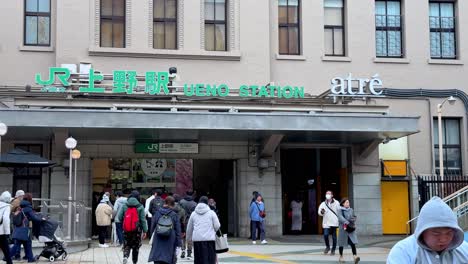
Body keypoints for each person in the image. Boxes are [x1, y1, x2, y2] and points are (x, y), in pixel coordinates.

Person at [387, 196, 468, 263]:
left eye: (449, 233)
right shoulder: (403, 251)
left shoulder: (464, 250)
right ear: (422, 232)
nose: (443, 239)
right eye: (436, 233)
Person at [10, 193, 44, 262]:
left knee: (26, 243)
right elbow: (34, 218)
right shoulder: (28, 208)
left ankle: (30, 258)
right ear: (30, 199)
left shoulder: (21, 206)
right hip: (24, 229)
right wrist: (42, 219)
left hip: (19, 228)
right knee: (22, 244)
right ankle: (7, 256)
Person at [186, 196, 220, 264]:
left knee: (199, 260)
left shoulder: (193, 214)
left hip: (197, 241)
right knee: (209, 260)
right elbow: (217, 226)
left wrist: (188, 239)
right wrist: (212, 231)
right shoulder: (211, 213)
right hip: (209, 240)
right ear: (207, 203)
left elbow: (189, 228)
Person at [148, 196, 182, 264]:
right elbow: (178, 231)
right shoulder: (174, 215)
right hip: (170, 241)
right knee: (168, 260)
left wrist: (152, 237)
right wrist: (179, 245)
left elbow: (152, 227)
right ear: (173, 205)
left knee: (158, 259)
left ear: (164, 203)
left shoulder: (157, 213)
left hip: (158, 239)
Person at [118, 190, 148, 264]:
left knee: (127, 244)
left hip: (126, 229)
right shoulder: (140, 206)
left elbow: (119, 217)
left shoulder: (125, 204)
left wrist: (125, 220)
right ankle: (134, 261)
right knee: (135, 246)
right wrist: (145, 230)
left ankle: (125, 256)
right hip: (137, 230)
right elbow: (143, 219)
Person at [318, 190, 340, 255]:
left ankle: (333, 249)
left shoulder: (336, 203)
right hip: (326, 222)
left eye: (329, 193)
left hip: (334, 222)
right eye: (326, 193)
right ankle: (327, 247)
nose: (327, 195)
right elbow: (319, 212)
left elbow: (339, 212)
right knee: (325, 235)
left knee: (334, 237)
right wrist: (322, 212)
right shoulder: (323, 203)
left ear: (332, 195)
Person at [337, 198, 359, 263]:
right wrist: (346, 221)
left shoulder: (351, 210)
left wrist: (353, 219)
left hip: (350, 229)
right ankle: (341, 257)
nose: (348, 203)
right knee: (341, 244)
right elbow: (340, 217)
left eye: (348, 202)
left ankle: (355, 257)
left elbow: (354, 216)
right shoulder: (340, 210)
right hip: (343, 229)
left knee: (353, 243)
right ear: (343, 204)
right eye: (346, 202)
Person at [179, 190, 197, 260]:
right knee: (190, 237)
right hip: (191, 221)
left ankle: (183, 250)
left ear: (186, 193)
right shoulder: (194, 203)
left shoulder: (181, 202)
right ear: (192, 194)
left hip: (182, 221)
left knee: (182, 236)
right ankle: (189, 253)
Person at [9, 190, 24, 260]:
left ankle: (16, 255)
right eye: (22, 195)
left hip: (16, 222)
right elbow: (10, 210)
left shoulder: (15, 201)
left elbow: (10, 210)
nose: (23, 197)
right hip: (18, 223)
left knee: (17, 239)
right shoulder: (17, 201)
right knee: (17, 239)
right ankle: (16, 255)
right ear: (19, 196)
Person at [0, 191, 12, 264]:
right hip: (1, 232)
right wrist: (7, 232)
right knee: (6, 250)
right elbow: (6, 219)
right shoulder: (7, 206)